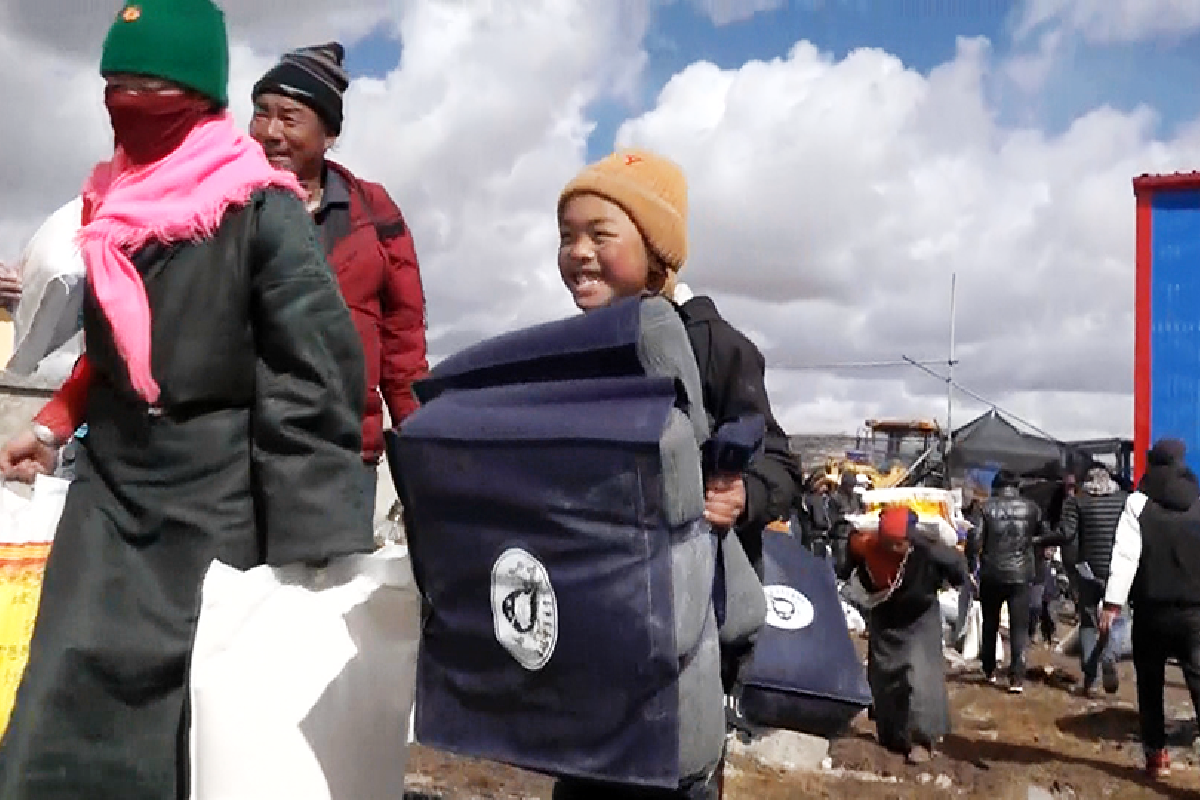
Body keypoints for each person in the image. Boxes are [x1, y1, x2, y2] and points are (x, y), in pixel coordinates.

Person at [0, 2, 370, 796]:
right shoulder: (109, 209)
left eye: (151, 87)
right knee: (60, 686)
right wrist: (55, 424)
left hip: (217, 500)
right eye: (115, 86)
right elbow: (110, 357)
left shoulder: (260, 209)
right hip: (111, 494)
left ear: (199, 100)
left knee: (187, 719)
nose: (129, 103)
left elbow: (316, 374)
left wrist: (308, 545)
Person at [552, 148, 798, 798]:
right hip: (602, 611)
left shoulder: (716, 346)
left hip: (690, 626)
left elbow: (780, 460)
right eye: (566, 236)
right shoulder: (581, 348)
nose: (577, 252)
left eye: (599, 235)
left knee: (677, 773)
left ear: (659, 254)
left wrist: (741, 492)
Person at [249, 42, 428, 502]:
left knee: (338, 574)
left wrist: (421, 432)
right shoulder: (226, 207)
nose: (270, 132)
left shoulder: (373, 210)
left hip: (343, 448)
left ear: (329, 134)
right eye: (261, 113)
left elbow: (402, 336)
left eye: (289, 118)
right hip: (240, 449)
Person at [1102, 438, 1200, 780]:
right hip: (1195, 613)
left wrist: (1112, 603)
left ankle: (1156, 755)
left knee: (1150, 683)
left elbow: (1125, 556)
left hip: (1151, 611)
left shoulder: (1137, 504)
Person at [838, 504, 967, 764]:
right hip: (885, 617)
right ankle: (891, 734)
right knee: (884, 678)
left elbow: (958, 570)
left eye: (898, 543)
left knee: (921, 678)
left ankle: (922, 740)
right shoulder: (867, 544)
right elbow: (847, 560)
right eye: (888, 542)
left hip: (920, 618)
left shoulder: (930, 551)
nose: (893, 548)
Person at [973, 469, 1051, 693]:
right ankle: (1017, 677)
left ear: (996, 486)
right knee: (1019, 627)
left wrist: (972, 565)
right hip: (1021, 574)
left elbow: (974, 539)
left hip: (991, 573)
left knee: (990, 623)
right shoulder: (1031, 508)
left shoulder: (985, 508)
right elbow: (1047, 533)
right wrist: (1030, 541)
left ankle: (989, 670)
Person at [1057, 465, 1127, 696]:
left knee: (1088, 622)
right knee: (1118, 618)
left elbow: (1069, 537)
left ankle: (1091, 679)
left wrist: (1073, 570)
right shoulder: (1123, 500)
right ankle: (1109, 656)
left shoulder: (1077, 502)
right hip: (1118, 569)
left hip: (1087, 570)